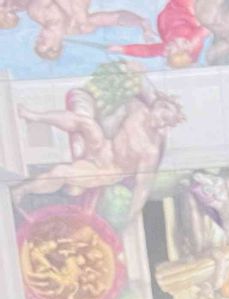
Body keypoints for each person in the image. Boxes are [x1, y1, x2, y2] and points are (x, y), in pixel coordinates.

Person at [13, 82, 183, 222]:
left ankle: (22, 190)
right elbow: (122, 95)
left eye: (167, 123)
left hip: (108, 169)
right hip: (103, 146)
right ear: (157, 106)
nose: (162, 124)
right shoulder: (138, 110)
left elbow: (143, 187)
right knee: (86, 122)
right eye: (163, 117)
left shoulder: (151, 150)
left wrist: (130, 218)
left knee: (61, 172)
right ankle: (34, 116)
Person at [1, 0, 153, 62]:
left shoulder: (35, 13)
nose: (39, 38)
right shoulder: (80, 26)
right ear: (57, 46)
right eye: (43, 43)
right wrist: (141, 23)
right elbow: (115, 17)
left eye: (37, 42)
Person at [109, 0, 208, 67]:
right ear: (181, 49)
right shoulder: (192, 39)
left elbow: (146, 51)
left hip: (167, 8)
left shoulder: (166, 48)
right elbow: (206, 28)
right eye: (170, 51)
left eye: (167, 54)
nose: (165, 51)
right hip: (182, 6)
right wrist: (194, 41)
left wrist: (123, 49)